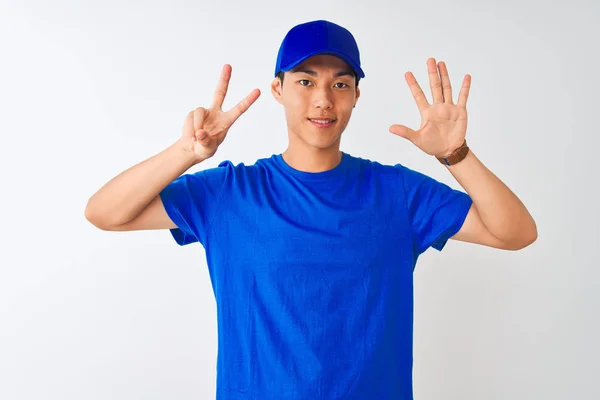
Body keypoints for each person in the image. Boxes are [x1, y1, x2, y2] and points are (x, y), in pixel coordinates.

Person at [85, 19, 537, 400]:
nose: (324, 99)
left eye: (340, 83)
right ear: (278, 90)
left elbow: (515, 232)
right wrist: (185, 153)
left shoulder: (397, 192)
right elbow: (105, 212)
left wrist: (456, 154)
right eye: (306, 81)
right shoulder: (229, 192)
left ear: (356, 95)